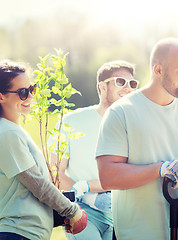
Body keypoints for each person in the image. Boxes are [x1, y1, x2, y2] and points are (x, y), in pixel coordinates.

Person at [95, 37, 178, 240]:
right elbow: (108, 176)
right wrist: (161, 169)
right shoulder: (121, 112)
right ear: (158, 70)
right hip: (137, 234)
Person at [0, 61, 87, 240]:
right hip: (19, 234)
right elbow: (37, 184)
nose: (29, 97)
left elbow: (24, 191)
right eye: (22, 92)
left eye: (32, 89)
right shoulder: (6, 133)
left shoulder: (12, 130)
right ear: (0, 97)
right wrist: (72, 211)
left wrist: (59, 214)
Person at [48, 60, 138, 240]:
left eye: (132, 83)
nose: (128, 88)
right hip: (82, 212)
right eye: (120, 81)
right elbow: (55, 173)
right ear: (102, 87)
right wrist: (85, 198)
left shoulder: (136, 127)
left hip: (124, 215)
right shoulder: (70, 122)